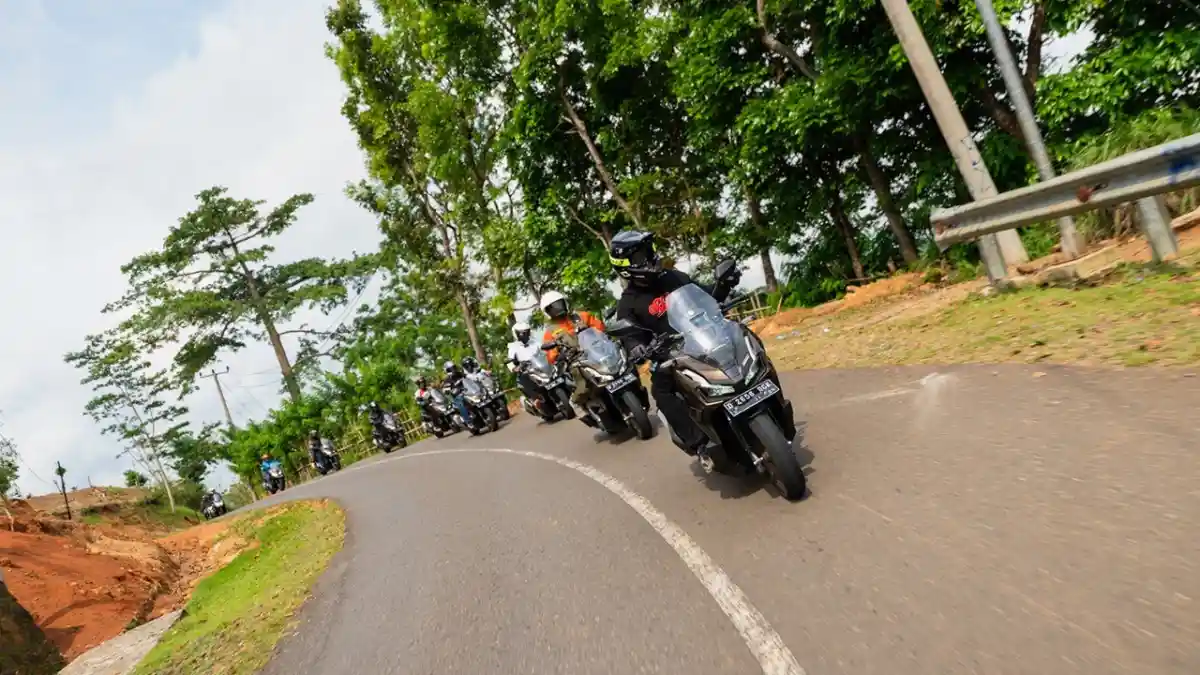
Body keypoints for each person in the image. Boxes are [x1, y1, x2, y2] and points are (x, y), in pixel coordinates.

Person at [610, 230, 741, 456]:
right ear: (626, 266)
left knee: (745, 339)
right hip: (672, 356)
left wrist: (724, 285)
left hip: (707, 338)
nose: (650, 257)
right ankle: (700, 444)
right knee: (661, 391)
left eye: (648, 251)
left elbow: (707, 295)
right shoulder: (628, 304)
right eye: (641, 255)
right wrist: (636, 347)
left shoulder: (673, 276)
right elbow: (630, 337)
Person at [539, 290, 606, 422]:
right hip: (575, 360)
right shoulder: (550, 332)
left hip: (596, 352)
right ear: (547, 311)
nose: (558, 308)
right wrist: (558, 355)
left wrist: (602, 333)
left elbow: (599, 327)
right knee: (583, 384)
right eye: (553, 307)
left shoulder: (581, 316)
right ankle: (575, 401)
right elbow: (550, 354)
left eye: (559, 304)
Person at [506, 321, 542, 402]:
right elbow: (509, 361)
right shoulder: (513, 347)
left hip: (540, 367)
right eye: (522, 333)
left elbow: (543, 350)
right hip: (526, 371)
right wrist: (515, 368)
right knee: (524, 381)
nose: (524, 335)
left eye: (526, 332)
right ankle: (536, 401)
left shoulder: (535, 342)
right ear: (516, 334)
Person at [441, 360, 473, 425]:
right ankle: (468, 421)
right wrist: (448, 390)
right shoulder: (447, 380)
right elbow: (445, 389)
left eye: (454, 367)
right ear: (447, 371)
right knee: (461, 403)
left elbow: (469, 377)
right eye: (451, 369)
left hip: (468, 391)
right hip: (457, 396)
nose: (453, 370)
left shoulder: (460, 373)